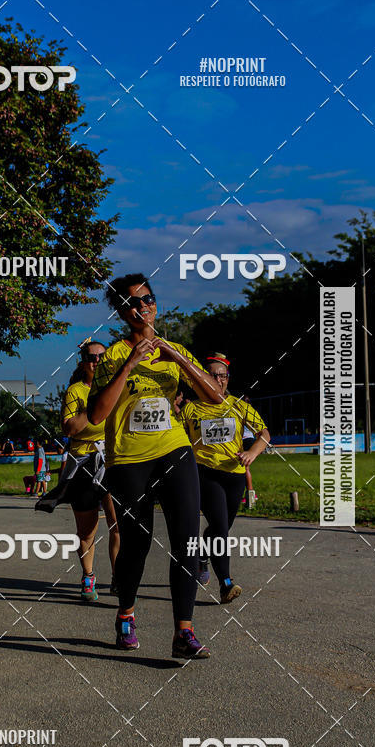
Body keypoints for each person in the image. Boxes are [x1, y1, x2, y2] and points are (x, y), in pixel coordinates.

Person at [88, 273, 223, 658]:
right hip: (129, 461)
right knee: (137, 545)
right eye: (131, 302)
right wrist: (130, 363)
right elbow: (97, 415)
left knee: (186, 539)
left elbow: (214, 397)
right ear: (120, 311)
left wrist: (176, 357)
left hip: (174, 449)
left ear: (154, 301)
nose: (141, 306)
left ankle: (184, 631)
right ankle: (126, 614)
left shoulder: (174, 349)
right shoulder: (113, 354)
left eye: (146, 298)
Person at [181, 355, 270, 599]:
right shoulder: (191, 408)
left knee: (221, 528)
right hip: (205, 473)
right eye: (212, 375)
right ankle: (226, 584)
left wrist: (252, 452)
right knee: (220, 527)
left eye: (222, 375)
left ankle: (202, 553)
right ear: (201, 378)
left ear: (228, 379)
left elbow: (264, 434)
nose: (218, 380)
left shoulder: (238, 405)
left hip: (235, 475)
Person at [37, 342, 120, 601]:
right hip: (83, 461)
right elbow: (70, 429)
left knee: (119, 524)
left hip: (113, 460)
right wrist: (95, 405)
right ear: (83, 362)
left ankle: (119, 578)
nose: (96, 361)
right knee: (87, 531)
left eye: (101, 357)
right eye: (91, 357)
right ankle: (88, 575)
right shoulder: (75, 391)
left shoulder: (119, 386)